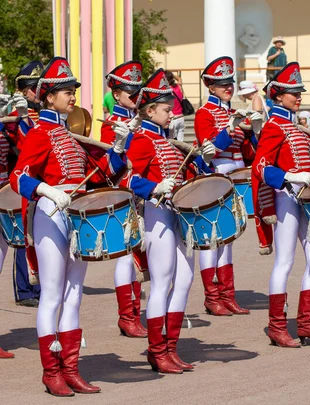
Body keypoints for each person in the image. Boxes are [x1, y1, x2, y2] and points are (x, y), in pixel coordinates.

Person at [10, 57, 129, 395]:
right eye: (65, 91)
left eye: (72, 90)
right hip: (50, 212)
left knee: (74, 295)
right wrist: (45, 190)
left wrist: (118, 148)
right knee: (51, 295)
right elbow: (20, 177)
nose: (72, 96)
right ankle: (51, 374)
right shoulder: (39, 133)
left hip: (76, 214)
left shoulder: (70, 135)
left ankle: (71, 369)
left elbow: (104, 174)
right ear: (48, 97)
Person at [125, 68, 215, 374]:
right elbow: (128, 179)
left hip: (177, 214)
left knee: (186, 278)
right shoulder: (141, 140)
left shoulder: (167, 141)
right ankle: (156, 350)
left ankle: (171, 346)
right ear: (150, 110)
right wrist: (153, 187)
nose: (172, 113)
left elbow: (187, 174)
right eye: (166, 109)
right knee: (162, 282)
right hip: (156, 214)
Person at [252, 62, 310, 347]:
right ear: (278, 95)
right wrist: (290, 176)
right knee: (285, 261)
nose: (298, 96)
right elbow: (261, 166)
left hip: (307, 198)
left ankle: (306, 322)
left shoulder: (296, 126)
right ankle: (277, 327)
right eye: (293, 92)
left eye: (299, 91)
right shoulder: (274, 126)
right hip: (286, 198)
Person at [194, 56, 262, 316]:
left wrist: (254, 131)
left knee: (228, 240)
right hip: (217, 173)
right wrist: (230, 129)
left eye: (229, 82)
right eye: (221, 83)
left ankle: (227, 295)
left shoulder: (232, 113)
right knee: (213, 238)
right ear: (210, 86)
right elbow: (209, 148)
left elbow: (248, 152)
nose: (228, 87)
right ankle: (212, 298)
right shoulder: (204, 113)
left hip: (236, 173)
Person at [100, 60, 148, 339]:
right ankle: (126, 317)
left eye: (138, 92)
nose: (136, 97)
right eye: (131, 93)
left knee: (139, 254)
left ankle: (135, 312)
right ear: (116, 94)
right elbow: (111, 165)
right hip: (122, 193)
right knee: (125, 257)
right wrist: (126, 135)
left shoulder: (141, 121)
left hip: (143, 191)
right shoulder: (111, 124)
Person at [6, 61, 44, 307]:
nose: (36, 92)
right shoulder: (16, 113)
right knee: (23, 236)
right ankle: (25, 289)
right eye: (32, 88)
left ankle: (39, 284)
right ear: (22, 90)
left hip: (42, 181)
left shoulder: (42, 113)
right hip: (21, 181)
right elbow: (23, 145)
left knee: (38, 236)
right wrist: (18, 117)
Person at [165, 70, 186, 141]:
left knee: (172, 142)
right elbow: (179, 79)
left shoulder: (167, 90)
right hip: (181, 117)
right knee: (181, 142)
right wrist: (171, 75)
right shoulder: (179, 86)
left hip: (173, 119)